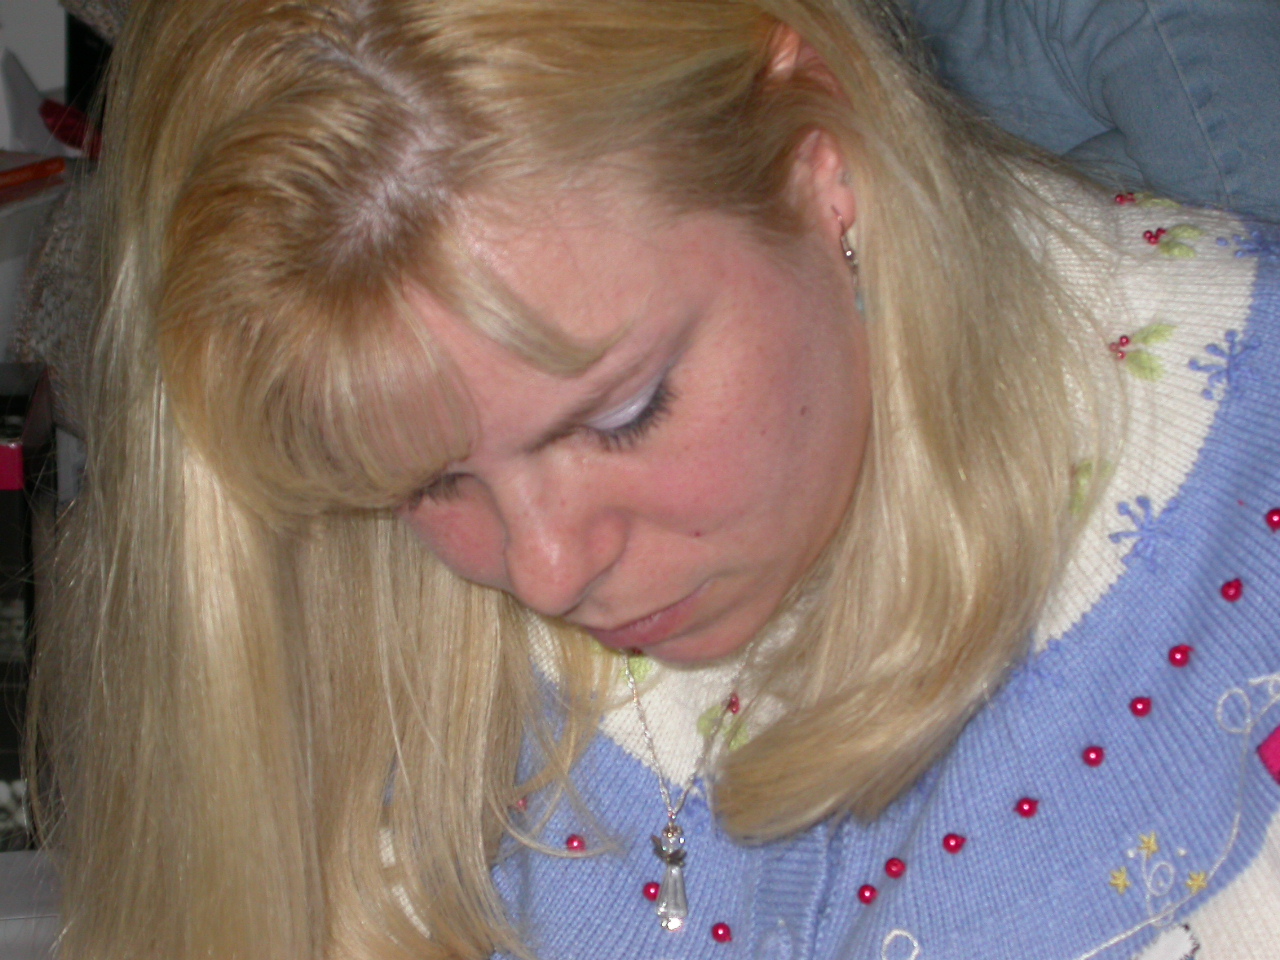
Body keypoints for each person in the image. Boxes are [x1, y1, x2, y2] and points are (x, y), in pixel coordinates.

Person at [27, 1, 1280, 959]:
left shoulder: (1241, 522)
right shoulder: (344, 586)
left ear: (823, 159)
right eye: (421, 481)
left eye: (623, 414)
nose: (543, 571)